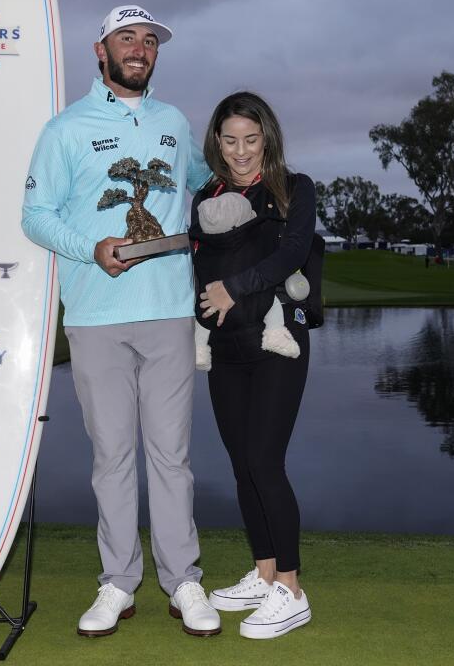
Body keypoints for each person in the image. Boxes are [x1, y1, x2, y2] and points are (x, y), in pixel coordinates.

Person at [21, 5, 219, 637]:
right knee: (111, 458)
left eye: (149, 41)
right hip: (96, 315)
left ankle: (183, 580)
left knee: (172, 457)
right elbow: (36, 215)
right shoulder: (65, 129)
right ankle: (117, 583)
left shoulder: (172, 122)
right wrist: (92, 248)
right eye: (126, 38)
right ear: (99, 50)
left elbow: (207, 177)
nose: (140, 48)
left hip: (167, 310)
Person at [188, 92, 317, 639]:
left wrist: (232, 290)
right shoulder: (207, 195)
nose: (241, 152)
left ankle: (291, 589)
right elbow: (193, 262)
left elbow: (289, 254)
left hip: (278, 342)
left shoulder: (295, 188)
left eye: (251, 139)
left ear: (268, 137)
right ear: (217, 142)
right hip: (225, 348)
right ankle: (264, 572)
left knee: (265, 461)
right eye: (230, 140)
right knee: (242, 464)